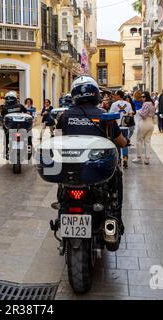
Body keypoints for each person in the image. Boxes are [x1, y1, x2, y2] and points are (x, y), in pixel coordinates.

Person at [56, 76, 128, 230]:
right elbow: (121, 142)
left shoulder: (65, 116)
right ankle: (117, 217)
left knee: (62, 185)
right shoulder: (104, 115)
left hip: (71, 169)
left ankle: (61, 211)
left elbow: (56, 140)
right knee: (117, 176)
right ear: (96, 94)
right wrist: (126, 142)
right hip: (96, 169)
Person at [110, 90, 134, 169]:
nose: (114, 96)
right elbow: (130, 115)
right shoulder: (128, 104)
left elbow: (111, 115)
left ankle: (118, 160)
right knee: (125, 143)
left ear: (119, 95)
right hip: (125, 126)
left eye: (115, 95)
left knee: (117, 143)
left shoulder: (114, 104)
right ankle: (125, 159)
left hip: (116, 127)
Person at [1, 91, 28, 157]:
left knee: (6, 137)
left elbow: (2, 116)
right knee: (27, 136)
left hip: (10, 127)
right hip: (20, 126)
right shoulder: (20, 105)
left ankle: (6, 150)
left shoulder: (5, 108)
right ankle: (28, 148)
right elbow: (27, 113)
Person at [133, 92, 156, 165]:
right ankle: (147, 159)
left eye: (143, 97)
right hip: (151, 123)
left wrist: (139, 111)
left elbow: (143, 115)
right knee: (147, 141)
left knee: (139, 140)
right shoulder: (152, 103)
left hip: (144, 122)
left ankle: (139, 157)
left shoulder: (146, 103)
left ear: (146, 97)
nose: (142, 98)